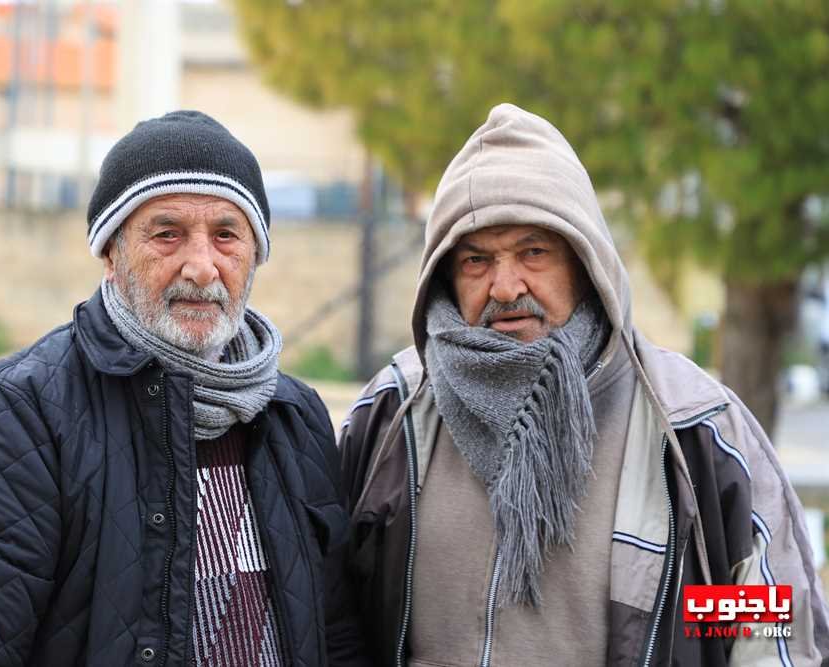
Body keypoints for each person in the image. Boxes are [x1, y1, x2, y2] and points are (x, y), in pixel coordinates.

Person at [339, 104, 829, 666]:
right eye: (477, 260)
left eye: (534, 252)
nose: (504, 286)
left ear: (585, 261)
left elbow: (766, 632)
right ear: (446, 276)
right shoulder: (395, 412)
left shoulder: (692, 428)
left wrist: (694, 609)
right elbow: (330, 614)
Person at [0, 111, 368, 666]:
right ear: (110, 253)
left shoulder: (295, 416)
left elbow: (337, 637)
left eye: (226, 235)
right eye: (167, 234)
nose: (201, 266)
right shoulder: (17, 416)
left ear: (254, 254)